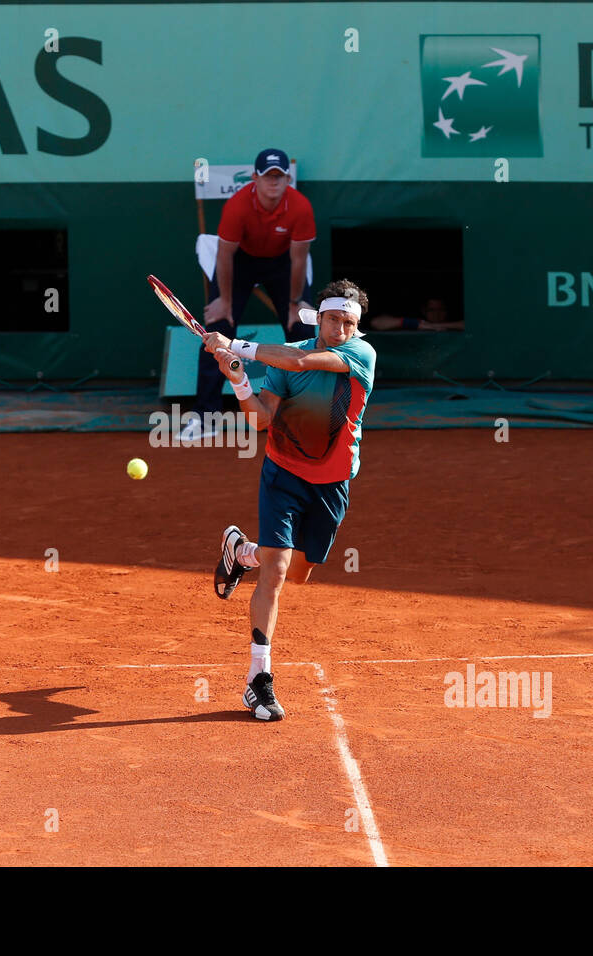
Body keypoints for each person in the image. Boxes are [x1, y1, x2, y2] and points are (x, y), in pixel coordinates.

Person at [200, 279, 376, 721]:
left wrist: (237, 346)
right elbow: (261, 422)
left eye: (350, 322)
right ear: (320, 317)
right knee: (276, 571)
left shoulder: (361, 355)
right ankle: (258, 681)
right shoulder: (282, 357)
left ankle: (242, 551)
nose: (341, 328)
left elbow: (298, 360)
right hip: (283, 473)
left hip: (332, 483)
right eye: (334, 318)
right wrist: (239, 381)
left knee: (299, 574)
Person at [187, 148, 316, 440]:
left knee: (304, 328)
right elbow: (224, 255)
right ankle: (206, 417)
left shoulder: (300, 207)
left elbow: (299, 260)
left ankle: (307, 414)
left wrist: (295, 304)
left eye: (280, 177)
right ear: (255, 178)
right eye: (268, 176)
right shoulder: (237, 206)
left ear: (287, 179)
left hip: (283, 264)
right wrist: (225, 301)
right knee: (216, 331)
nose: (274, 182)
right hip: (240, 263)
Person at [368, 297, 464, 331]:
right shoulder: (418, 322)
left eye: (441, 310)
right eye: (432, 310)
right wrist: (417, 325)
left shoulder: (453, 323)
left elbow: (469, 325)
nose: (437, 314)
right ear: (424, 310)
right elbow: (376, 322)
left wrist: (434, 326)